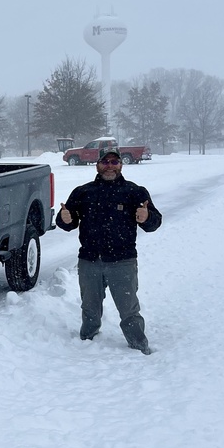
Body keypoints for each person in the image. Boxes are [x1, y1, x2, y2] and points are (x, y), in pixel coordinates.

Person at [56, 146, 162, 355]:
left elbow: (154, 223)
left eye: (115, 162)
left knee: (129, 310)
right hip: (89, 262)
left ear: (121, 165)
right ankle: (86, 342)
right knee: (90, 308)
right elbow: (68, 220)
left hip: (122, 263)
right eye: (105, 162)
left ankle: (139, 347)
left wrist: (147, 216)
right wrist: (63, 219)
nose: (110, 167)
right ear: (97, 165)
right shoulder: (83, 192)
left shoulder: (135, 192)